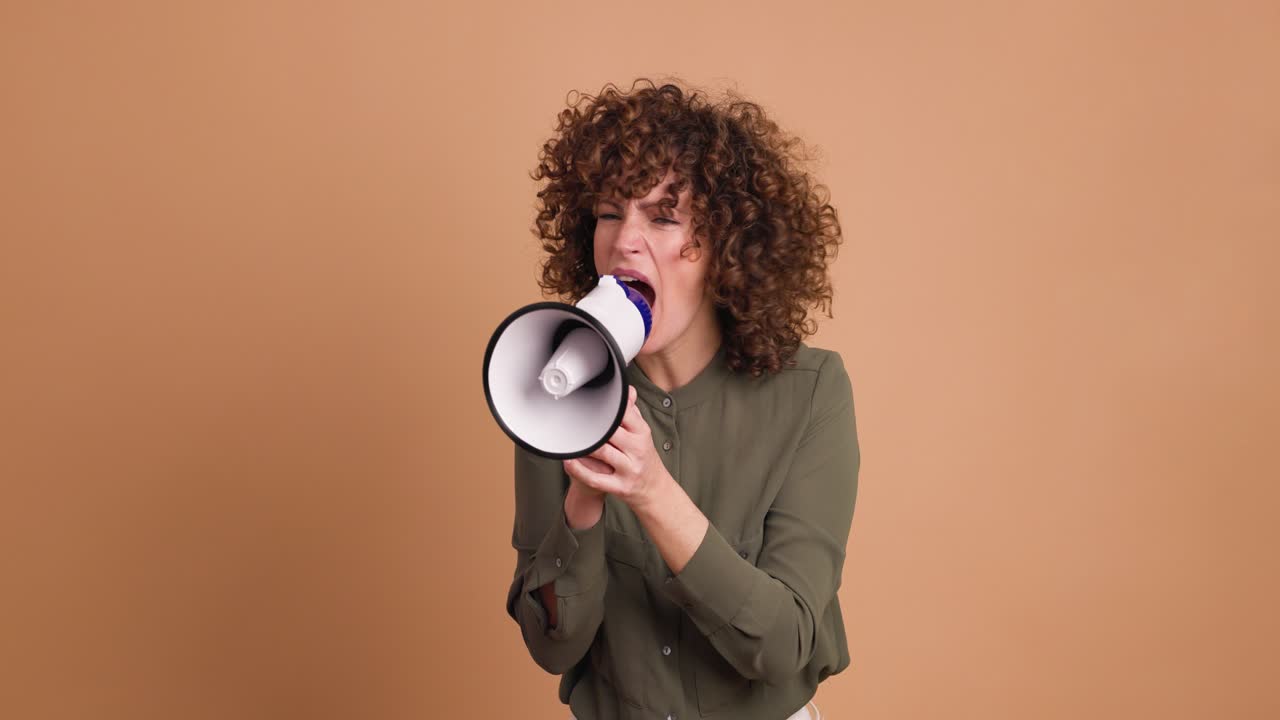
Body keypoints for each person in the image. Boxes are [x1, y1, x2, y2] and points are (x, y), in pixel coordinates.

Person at [505, 78, 859, 720]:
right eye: (610, 213)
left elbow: (785, 646)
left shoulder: (811, 392)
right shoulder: (551, 396)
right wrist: (583, 504)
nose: (625, 241)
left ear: (726, 248)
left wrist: (651, 492)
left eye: (663, 217)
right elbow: (553, 647)